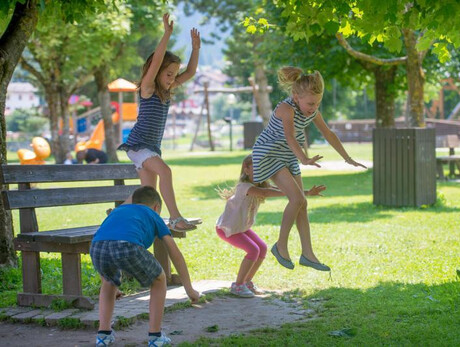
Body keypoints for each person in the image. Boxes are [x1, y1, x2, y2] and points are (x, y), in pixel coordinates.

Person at [252, 66, 366, 271]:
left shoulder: (311, 111)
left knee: (302, 205)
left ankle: (308, 254)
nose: (314, 107)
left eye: (318, 103)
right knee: (297, 199)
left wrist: (347, 158)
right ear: (296, 97)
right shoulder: (286, 109)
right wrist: (304, 158)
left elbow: (329, 134)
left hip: (288, 154)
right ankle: (280, 246)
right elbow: (289, 135)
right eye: (311, 103)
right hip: (269, 154)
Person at [118, 13, 200, 232]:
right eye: (169, 73)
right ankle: (175, 218)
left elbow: (190, 72)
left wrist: (196, 48)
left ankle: (116, 214)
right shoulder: (148, 88)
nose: (172, 78)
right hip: (139, 145)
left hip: (150, 147)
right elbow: (156, 61)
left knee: (147, 192)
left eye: (174, 75)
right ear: (158, 71)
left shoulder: (168, 90)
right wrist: (167, 34)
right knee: (166, 172)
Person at [90, 186, 200, 347]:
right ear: (156, 207)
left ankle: (103, 336)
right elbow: (174, 253)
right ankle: (155, 337)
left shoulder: (117, 212)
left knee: (108, 282)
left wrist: (107, 277)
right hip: (127, 246)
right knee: (158, 279)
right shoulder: (153, 216)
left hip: (96, 247)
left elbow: (105, 241)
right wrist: (189, 289)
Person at [216, 154, 326, 297]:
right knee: (253, 250)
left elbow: (284, 192)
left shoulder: (258, 186)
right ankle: (238, 285)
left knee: (261, 248)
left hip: (241, 228)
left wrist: (306, 193)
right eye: (256, 168)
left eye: (263, 168)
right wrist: (298, 192)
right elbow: (266, 193)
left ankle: (247, 282)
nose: (260, 171)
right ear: (246, 169)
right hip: (227, 228)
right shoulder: (243, 186)